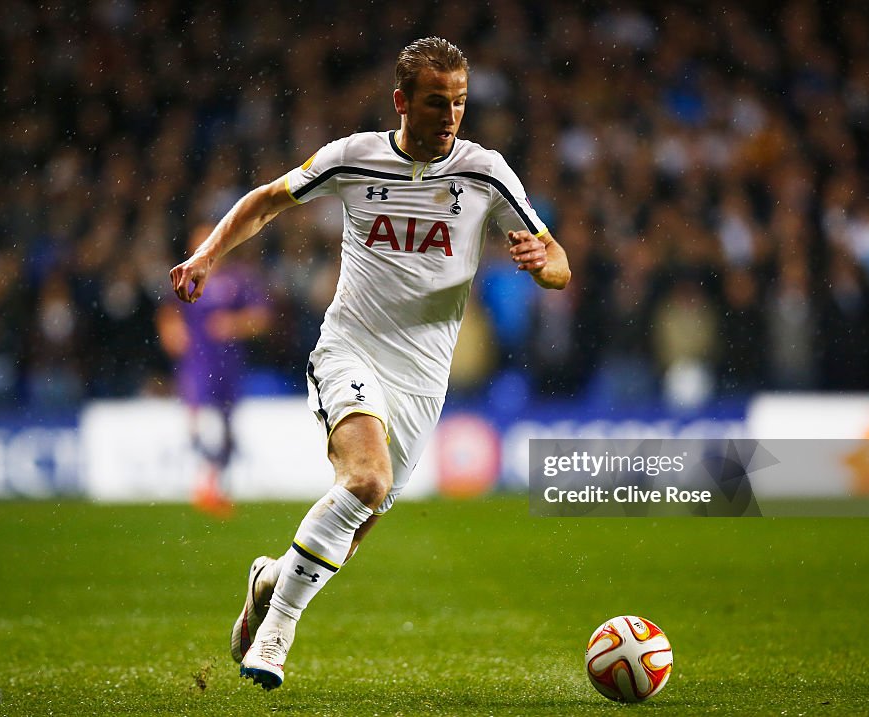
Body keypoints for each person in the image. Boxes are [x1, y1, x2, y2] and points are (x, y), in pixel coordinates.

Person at [169, 36, 570, 690]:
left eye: (460, 103)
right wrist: (208, 255)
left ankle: (269, 579)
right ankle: (276, 633)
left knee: (355, 523)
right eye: (437, 102)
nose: (450, 117)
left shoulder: (485, 171)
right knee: (366, 480)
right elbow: (268, 198)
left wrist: (542, 266)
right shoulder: (354, 157)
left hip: (422, 378)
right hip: (350, 346)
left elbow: (557, 258)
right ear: (401, 101)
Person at [158, 223, 272, 516]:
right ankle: (204, 485)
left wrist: (234, 325)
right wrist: (171, 331)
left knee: (226, 427)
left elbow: (262, 318)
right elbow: (168, 312)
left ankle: (215, 485)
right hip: (197, 365)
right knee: (203, 424)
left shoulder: (239, 280)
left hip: (229, 366)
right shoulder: (185, 276)